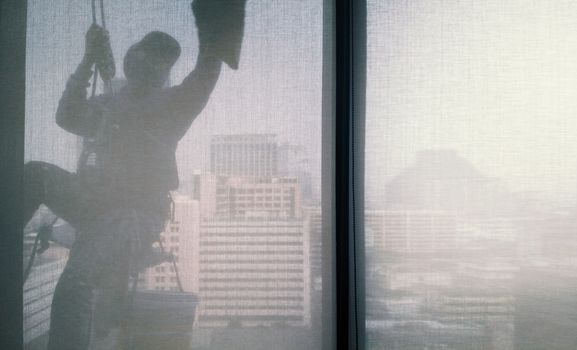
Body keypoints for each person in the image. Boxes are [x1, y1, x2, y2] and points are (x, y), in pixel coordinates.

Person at [23, 2, 244, 349]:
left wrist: (217, 20)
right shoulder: (110, 105)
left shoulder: (170, 107)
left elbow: (206, 73)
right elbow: (67, 117)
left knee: (76, 281)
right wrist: (86, 60)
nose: (145, 62)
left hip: (134, 213)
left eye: (154, 59)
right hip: (96, 201)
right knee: (34, 176)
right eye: (146, 53)